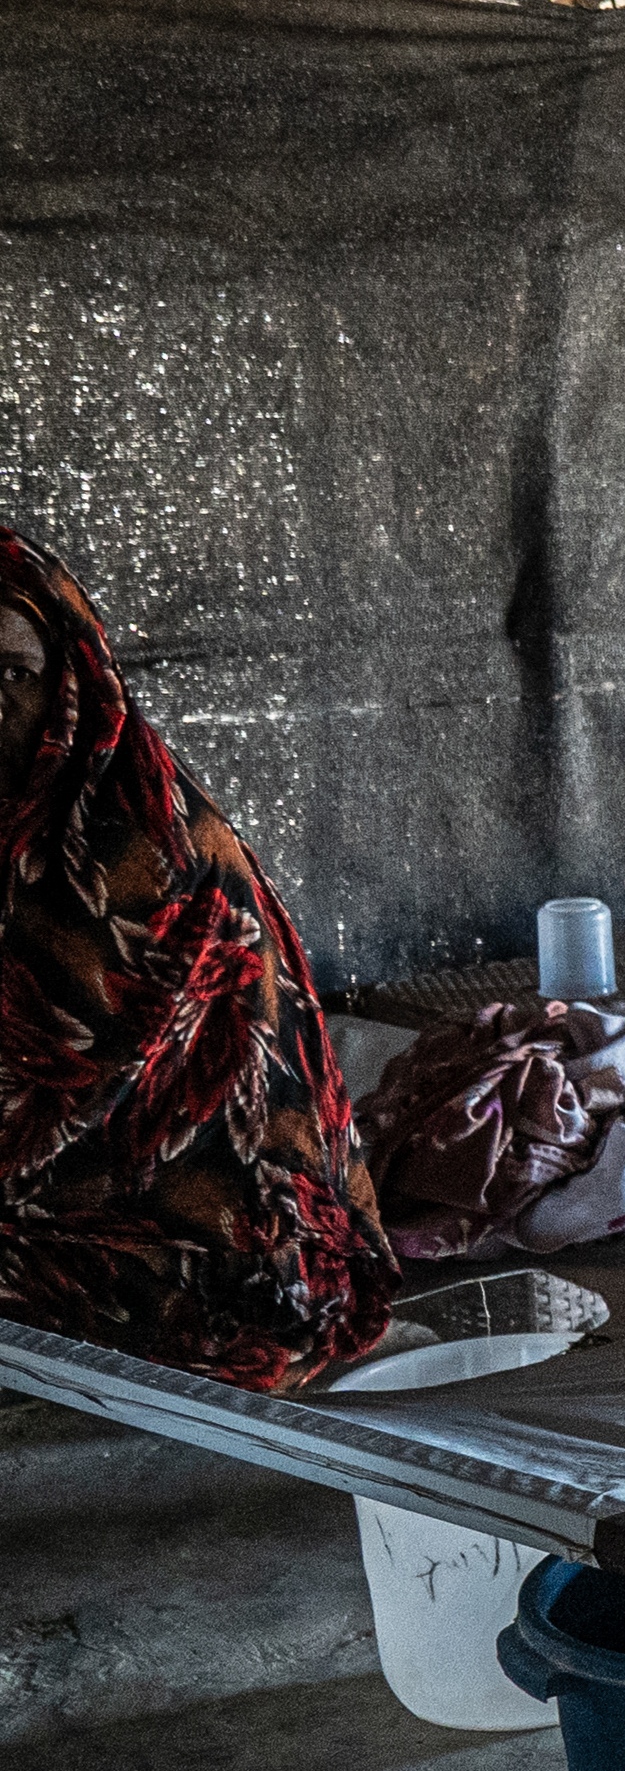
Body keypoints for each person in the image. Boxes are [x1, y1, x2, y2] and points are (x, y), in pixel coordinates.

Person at [0, 525, 396, 1391]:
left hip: (223, 1252)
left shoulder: (146, 851)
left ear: (74, 676)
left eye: (14, 676)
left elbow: (68, 1113)